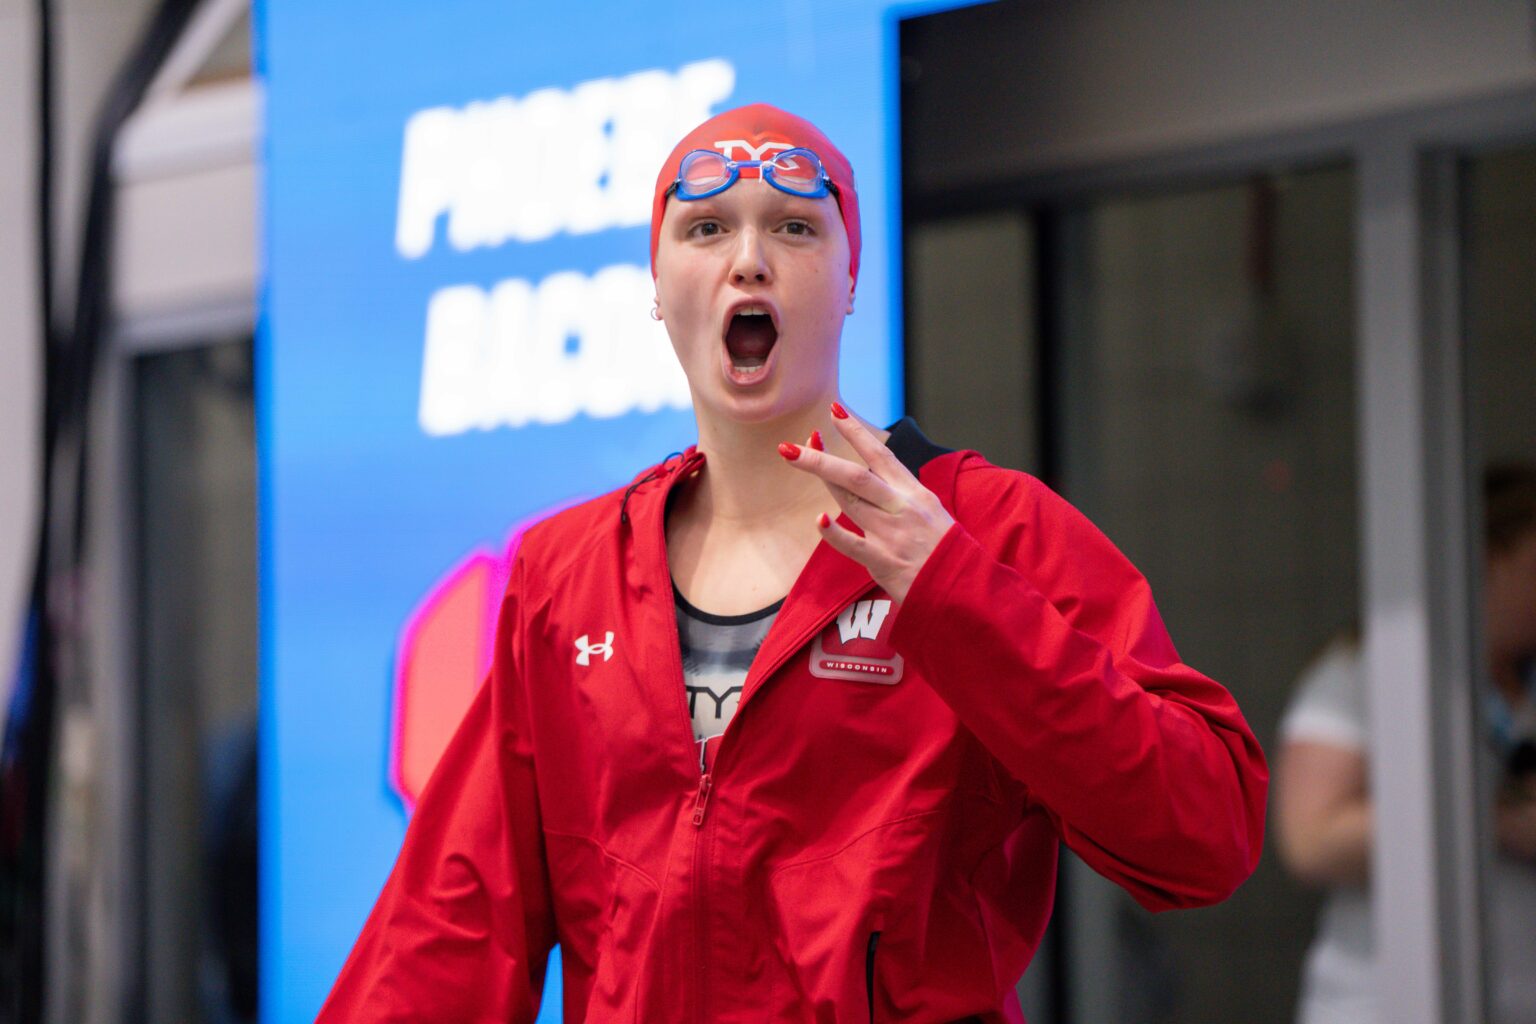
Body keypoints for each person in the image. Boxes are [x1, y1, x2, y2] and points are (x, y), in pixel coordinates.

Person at [317, 103, 1267, 1023]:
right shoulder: (568, 574)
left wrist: (957, 598)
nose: (749, 260)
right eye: (704, 228)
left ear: (852, 277)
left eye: (796, 228)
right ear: (656, 287)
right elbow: (449, 929)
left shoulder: (983, 527)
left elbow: (1204, 832)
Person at [1277, 464, 1536, 1024]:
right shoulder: (1359, 674)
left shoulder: (1523, 680)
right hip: (1385, 1002)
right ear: (1490, 558)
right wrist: (1495, 822)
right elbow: (1311, 841)